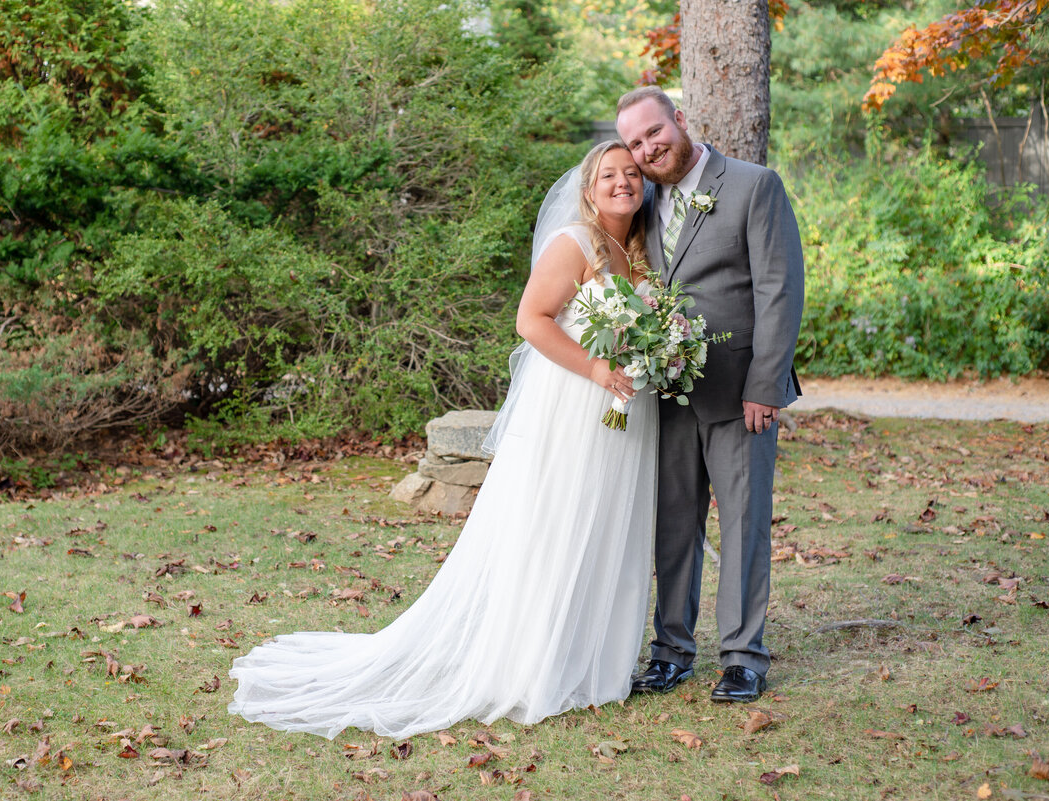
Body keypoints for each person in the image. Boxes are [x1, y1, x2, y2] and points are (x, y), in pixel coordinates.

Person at [228, 141, 658, 739]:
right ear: (588, 189)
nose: (622, 182)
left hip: (623, 417)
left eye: (632, 173)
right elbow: (530, 321)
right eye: (608, 174)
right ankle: (532, 668)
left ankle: (592, 665)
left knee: (605, 527)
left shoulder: (640, 251)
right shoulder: (575, 244)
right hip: (571, 413)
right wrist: (595, 369)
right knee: (554, 527)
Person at [614, 86, 805, 703]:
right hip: (666, 395)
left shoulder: (754, 185)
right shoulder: (642, 200)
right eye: (636, 143)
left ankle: (744, 657)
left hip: (739, 393)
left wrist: (766, 385)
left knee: (744, 525)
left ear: (680, 120)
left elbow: (780, 290)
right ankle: (670, 651)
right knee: (672, 528)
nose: (648, 149)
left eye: (654, 133)